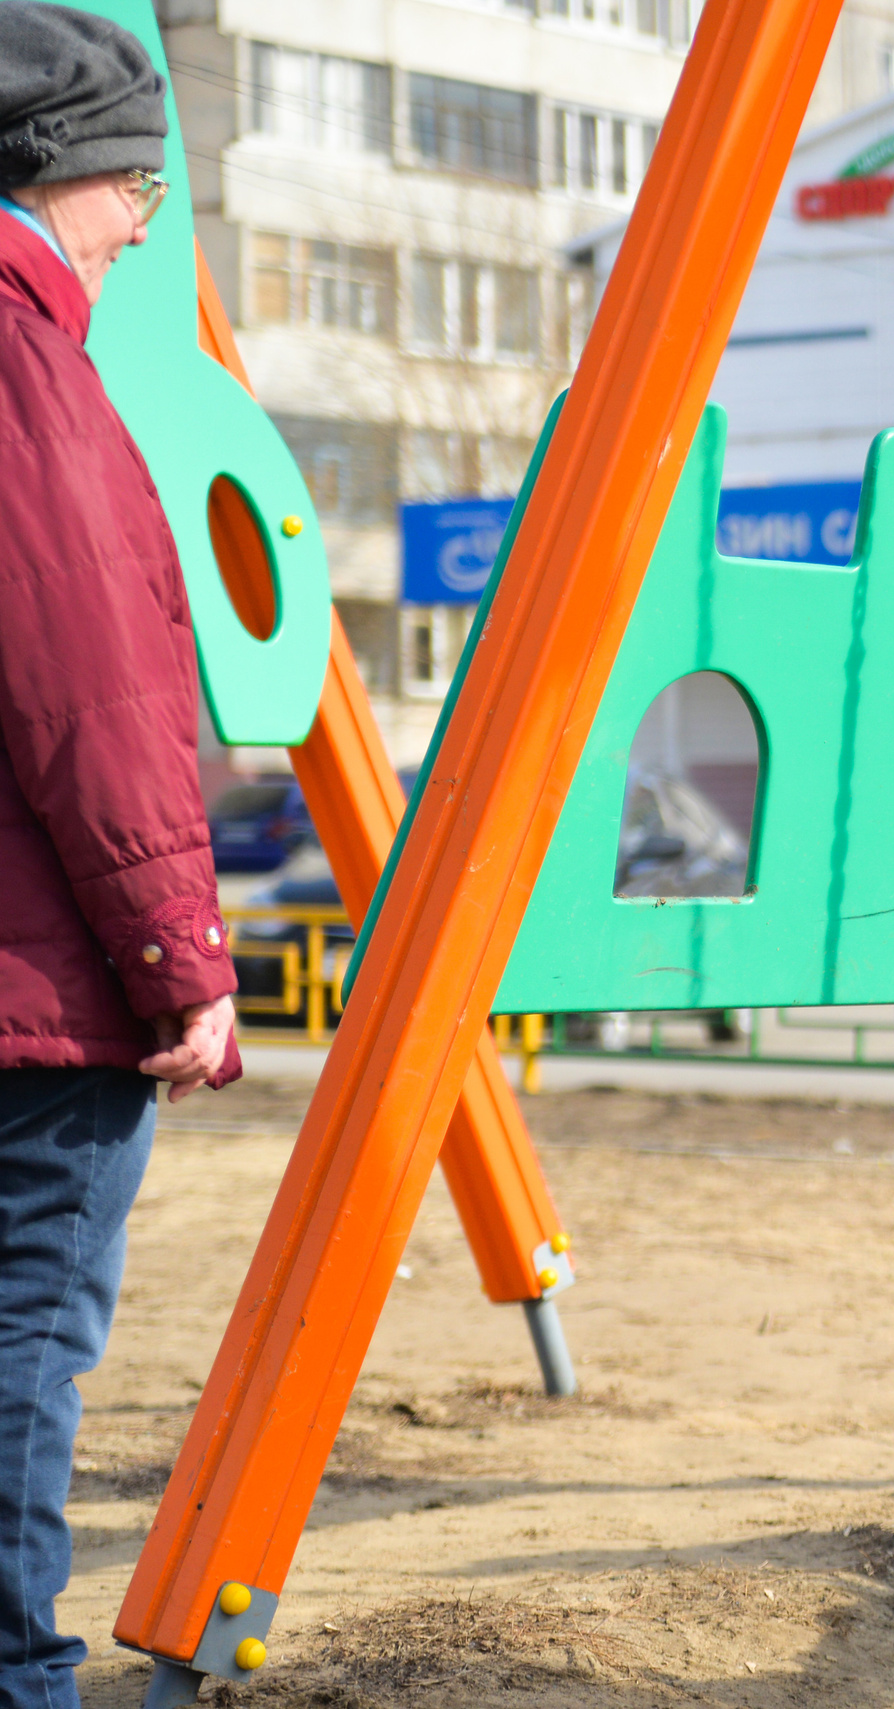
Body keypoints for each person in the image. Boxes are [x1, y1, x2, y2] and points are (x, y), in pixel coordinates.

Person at [0, 3, 241, 1700]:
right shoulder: (24, 351)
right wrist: (179, 963)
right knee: (21, 1343)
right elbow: (83, 682)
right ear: (58, 168)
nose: (145, 218)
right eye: (133, 177)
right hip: (38, 985)